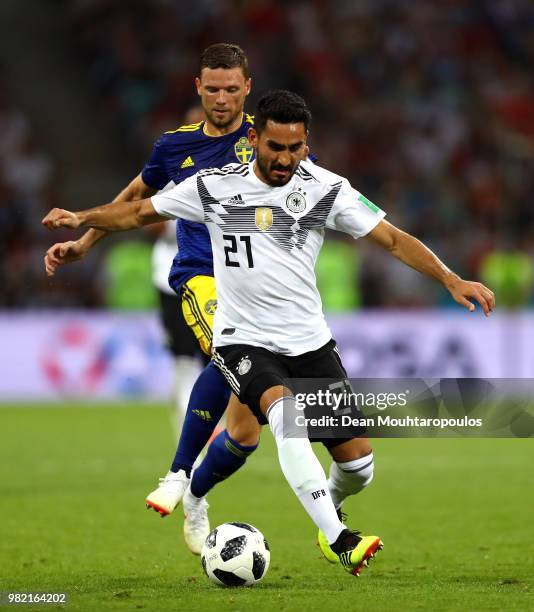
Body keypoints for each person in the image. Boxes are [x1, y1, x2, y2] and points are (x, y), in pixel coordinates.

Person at [43, 89, 495, 575]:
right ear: (254, 138)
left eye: (295, 148)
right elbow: (138, 212)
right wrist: (81, 220)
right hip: (243, 338)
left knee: (358, 466)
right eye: (275, 147)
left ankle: (310, 505)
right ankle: (337, 536)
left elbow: (393, 239)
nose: (284, 159)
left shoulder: (326, 189)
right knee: (284, 417)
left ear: (306, 144)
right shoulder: (213, 186)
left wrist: (451, 277)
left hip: (309, 343)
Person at [43, 43, 263, 553]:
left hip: (261, 283)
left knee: (249, 419)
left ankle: (198, 491)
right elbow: (132, 203)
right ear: (198, 88)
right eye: (213, 89)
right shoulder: (174, 147)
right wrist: (82, 240)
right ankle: (180, 474)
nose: (223, 99)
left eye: (233, 89)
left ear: (247, 88)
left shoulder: (269, 140)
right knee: (230, 355)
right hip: (202, 276)